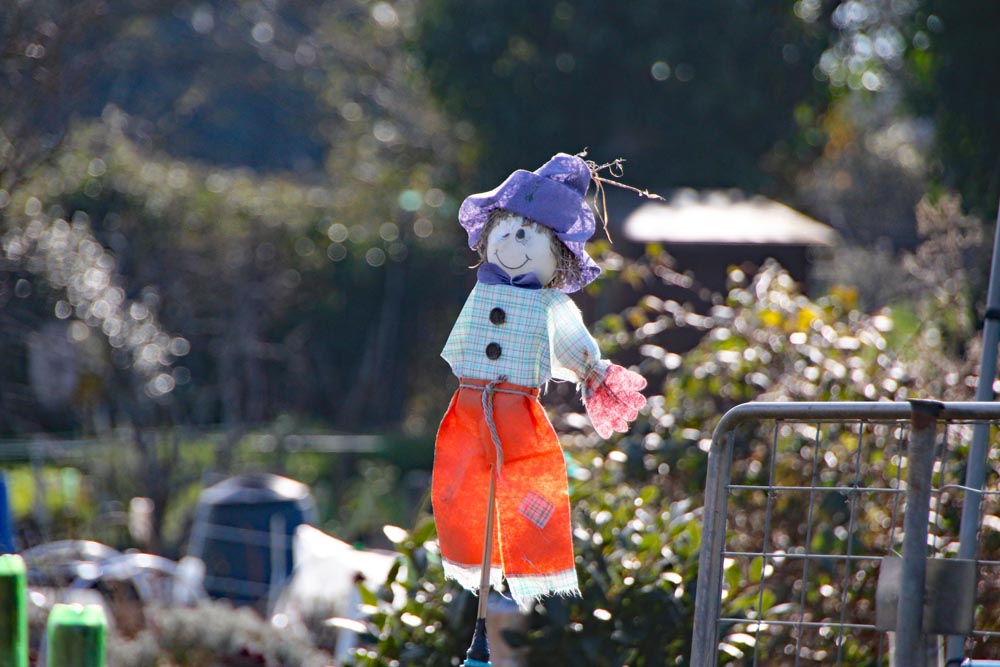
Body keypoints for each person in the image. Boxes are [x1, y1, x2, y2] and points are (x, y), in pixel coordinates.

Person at [433, 153, 647, 611]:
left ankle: (532, 571)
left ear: (556, 252)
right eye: (505, 229)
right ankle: (470, 565)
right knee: (460, 482)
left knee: (529, 485)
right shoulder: (482, 290)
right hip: (469, 407)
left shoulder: (549, 306)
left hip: (517, 409)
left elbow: (572, 346)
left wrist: (595, 374)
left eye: (528, 233)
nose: (513, 240)